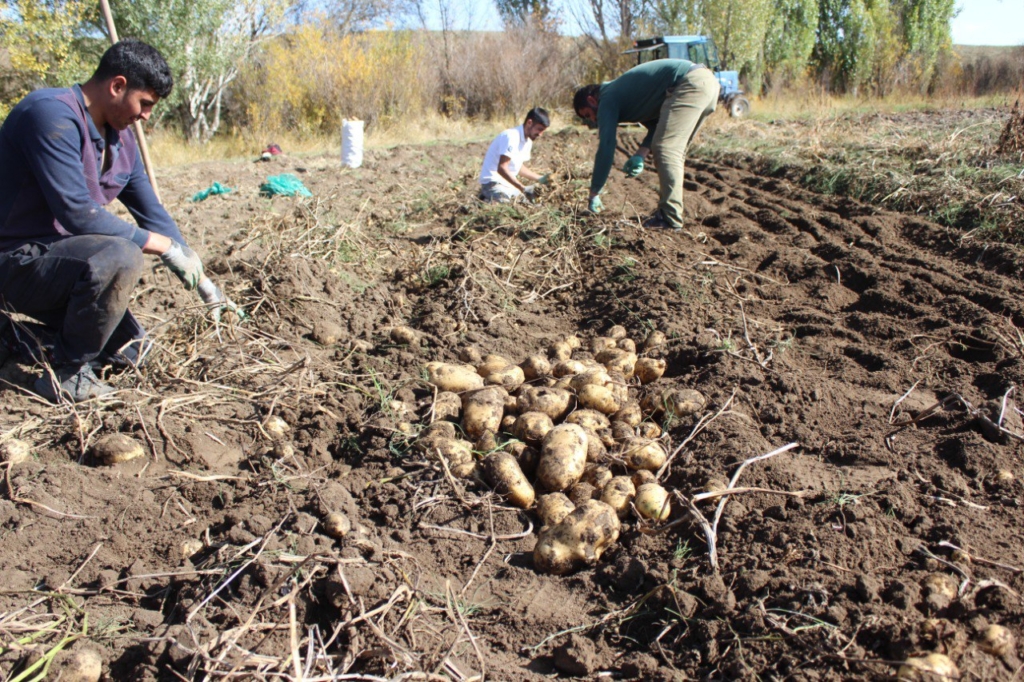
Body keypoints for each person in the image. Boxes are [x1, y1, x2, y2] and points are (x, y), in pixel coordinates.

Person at [0, 38, 236, 403]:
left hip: (63, 264)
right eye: (145, 104)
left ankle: (17, 338)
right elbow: (77, 213)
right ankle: (66, 375)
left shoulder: (122, 140)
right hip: (18, 261)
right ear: (117, 85)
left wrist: (203, 281)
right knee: (121, 255)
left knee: (133, 352)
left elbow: (151, 212)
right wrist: (163, 247)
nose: (146, 116)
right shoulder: (48, 114)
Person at [573, 59, 720, 230]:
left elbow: (606, 145)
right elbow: (657, 126)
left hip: (689, 83)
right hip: (705, 83)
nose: (593, 120)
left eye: (589, 114)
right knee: (672, 150)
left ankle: (669, 218)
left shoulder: (607, 97)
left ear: (592, 100)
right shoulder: (629, 96)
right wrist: (640, 155)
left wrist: (594, 193)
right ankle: (668, 213)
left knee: (667, 149)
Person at [478, 107, 551, 203]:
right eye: (539, 129)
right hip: (492, 184)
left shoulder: (527, 141)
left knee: (533, 204)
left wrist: (539, 178)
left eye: (543, 131)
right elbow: (502, 167)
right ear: (529, 123)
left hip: (508, 186)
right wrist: (522, 188)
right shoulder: (511, 136)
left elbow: (517, 167)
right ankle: (486, 200)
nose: (540, 134)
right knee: (510, 205)